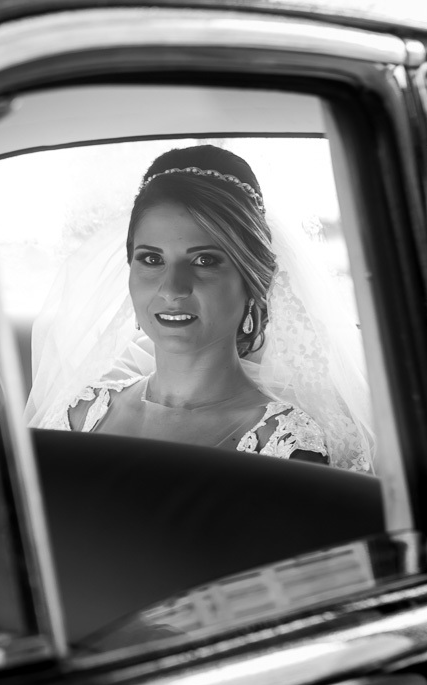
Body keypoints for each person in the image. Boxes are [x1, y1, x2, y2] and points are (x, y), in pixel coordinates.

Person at [27, 145, 374, 470]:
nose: (173, 289)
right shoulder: (80, 414)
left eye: (205, 260)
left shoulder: (282, 442)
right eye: (151, 259)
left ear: (252, 281)